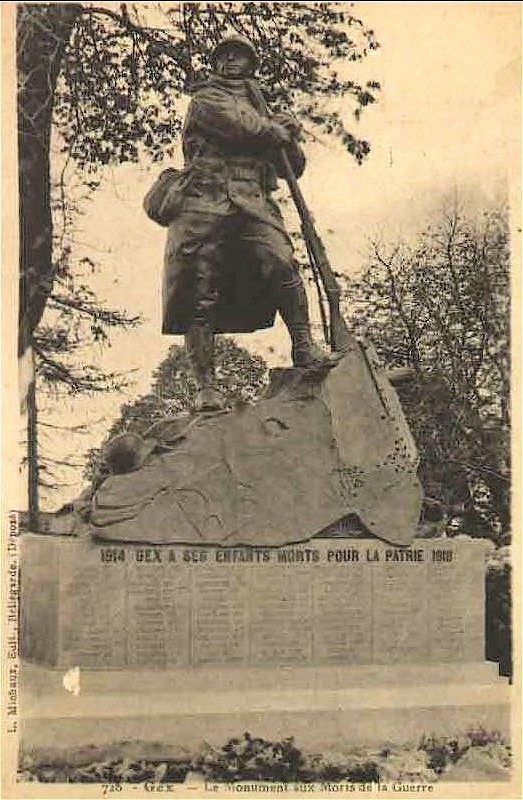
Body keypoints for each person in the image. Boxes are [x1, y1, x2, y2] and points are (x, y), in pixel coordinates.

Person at [161, 34, 337, 410]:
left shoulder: (261, 107)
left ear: (250, 64)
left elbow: (295, 168)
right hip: (204, 200)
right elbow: (240, 125)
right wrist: (277, 128)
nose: (229, 62)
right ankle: (206, 385)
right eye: (222, 56)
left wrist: (290, 138)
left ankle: (304, 346)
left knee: (281, 261)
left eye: (238, 56)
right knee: (198, 290)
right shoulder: (207, 99)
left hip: (252, 200)